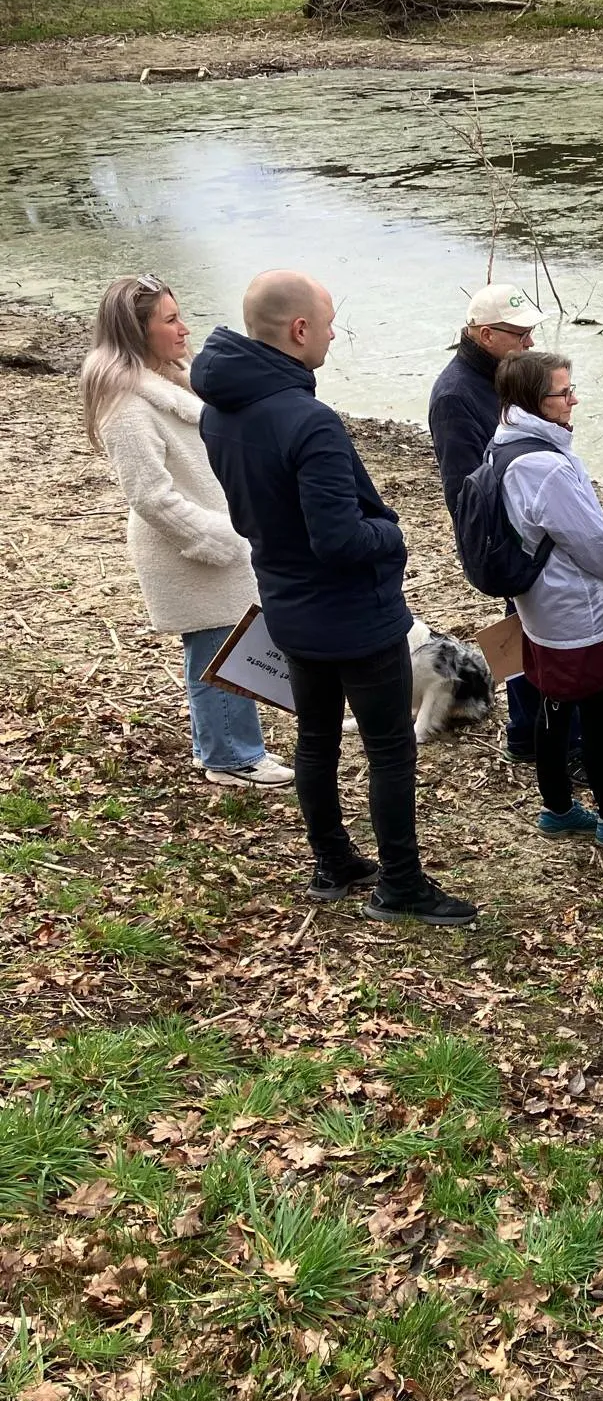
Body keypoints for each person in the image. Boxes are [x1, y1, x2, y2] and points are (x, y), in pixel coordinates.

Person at [195, 270, 473, 924]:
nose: (333, 333)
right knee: (388, 748)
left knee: (315, 737)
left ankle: (333, 861)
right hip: (352, 613)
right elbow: (342, 540)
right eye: (326, 322)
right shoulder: (309, 421)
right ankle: (400, 886)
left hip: (286, 602)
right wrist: (392, 532)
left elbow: (247, 517)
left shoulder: (219, 409)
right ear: (298, 331)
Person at [80, 274, 290, 790]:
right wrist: (221, 539)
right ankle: (229, 754)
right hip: (190, 547)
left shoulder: (176, 378)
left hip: (221, 533)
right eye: (170, 320)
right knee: (217, 645)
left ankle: (231, 746)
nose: (183, 328)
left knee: (230, 638)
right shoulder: (126, 404)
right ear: (137, 331)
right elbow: (149, 496)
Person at [491, 351, 603, 848]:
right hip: (574, 608)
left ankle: (557, 805)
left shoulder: (506, 444)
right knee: (597, 713)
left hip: (539, 605)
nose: (573, 398)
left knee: (553, 703)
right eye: (564, 392)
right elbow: (594, 542)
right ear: (535, 400)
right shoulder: (547, 469)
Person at [426, 281, 562, 765]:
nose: (529, 344)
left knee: (528, 622)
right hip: (506, 536)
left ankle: (530, 729)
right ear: (485, 335)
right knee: (525, 624)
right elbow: (467, 487)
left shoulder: (504, 376)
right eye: (519, 334)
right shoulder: (454, 395)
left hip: (528, 526)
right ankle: (527, 730)